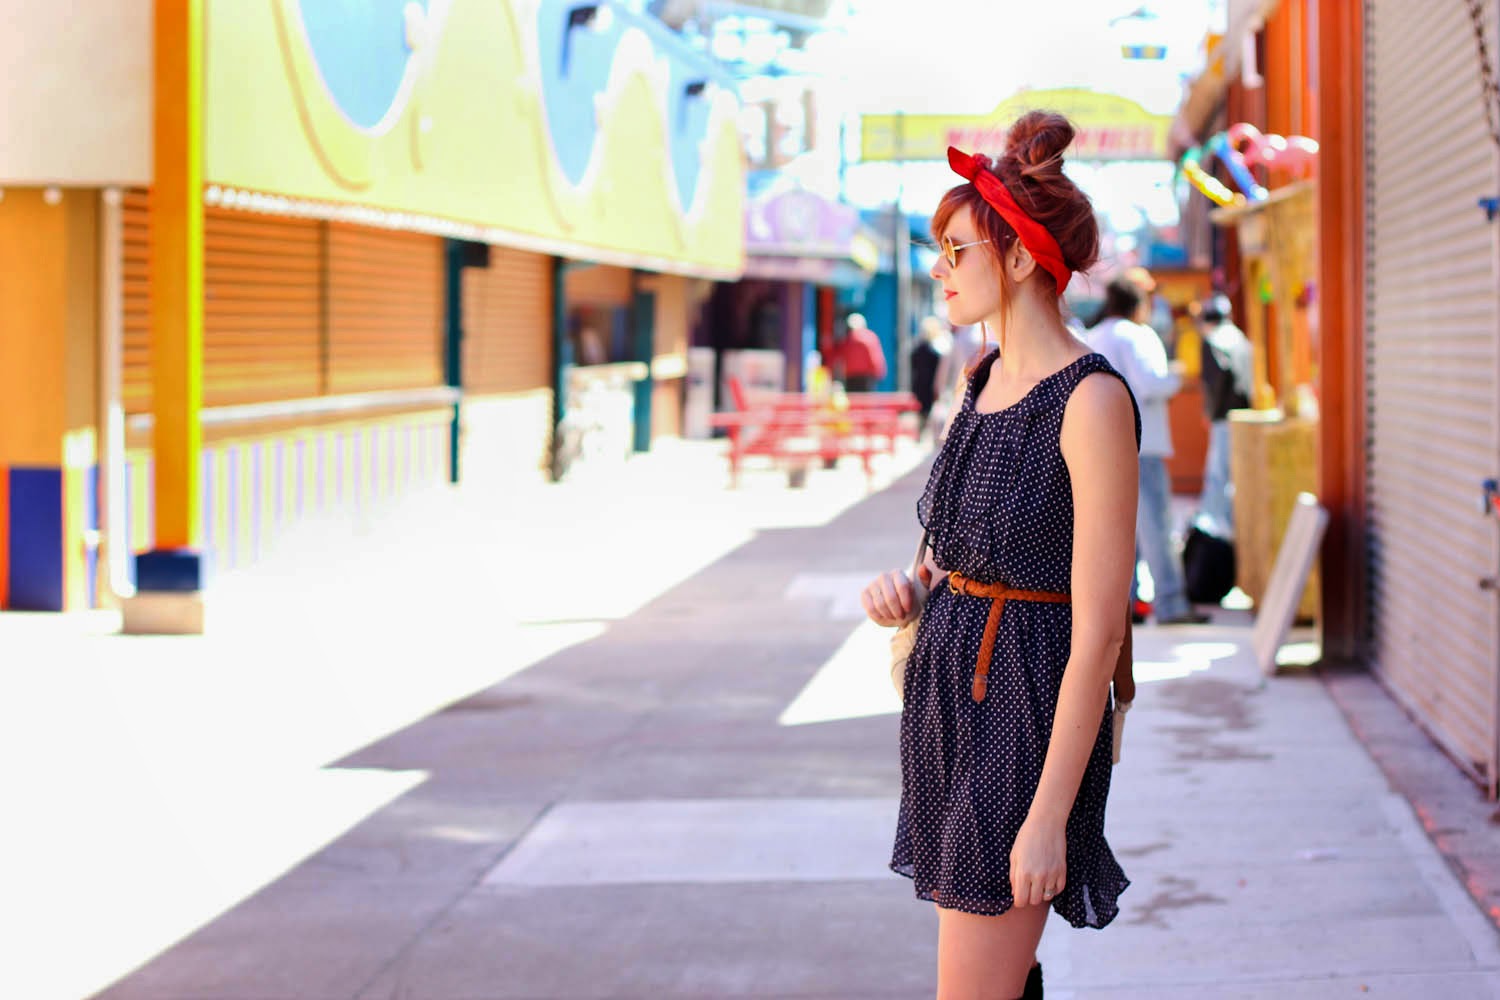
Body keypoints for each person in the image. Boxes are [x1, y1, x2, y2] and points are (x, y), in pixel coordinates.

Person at [859, 111, 1138, 1000]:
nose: (938, 270)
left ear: (1018, 258)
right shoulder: (977, 382)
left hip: (1025, 715)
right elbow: (953, 556)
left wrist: (1049, 815)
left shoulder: (1090, 401)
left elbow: (1100, 631)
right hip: (949, 705)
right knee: (1001, 979)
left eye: (956, 251)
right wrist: (911, 593)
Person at [1086, 275, 1209, 627]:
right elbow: (1151, 381)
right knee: (1156, 524)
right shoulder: (1136, 335)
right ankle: (1170, 603)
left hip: (1101, 446)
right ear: (1138, 303)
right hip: (1142, 443)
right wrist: (1176, 376)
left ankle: (1126, 604)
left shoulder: (1094, 337)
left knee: (1118, 529)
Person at [1196, 293, 1252, 535]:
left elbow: (1216, 381)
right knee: (1235, 474)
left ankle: (1215, 531)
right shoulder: (1240, 338)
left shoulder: (1213, 341)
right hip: (1243, 415)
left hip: (1223, 417)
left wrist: (1210, 411)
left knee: (1219, 475)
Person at [911, 316, 947, 437]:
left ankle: (921, 433)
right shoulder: (935, 351)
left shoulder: (917, 350)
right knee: (929, 411)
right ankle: (926, 434)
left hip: (919, 384)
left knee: (922, 412)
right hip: (929, 385)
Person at [834, 312, 888, 392]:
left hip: (851, 378)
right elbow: (875, 359)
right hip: (867, 378)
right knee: (865, 399)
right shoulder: (870, 338)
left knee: (854, 399)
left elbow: (838, 357)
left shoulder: (847, 340)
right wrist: (879, 373)